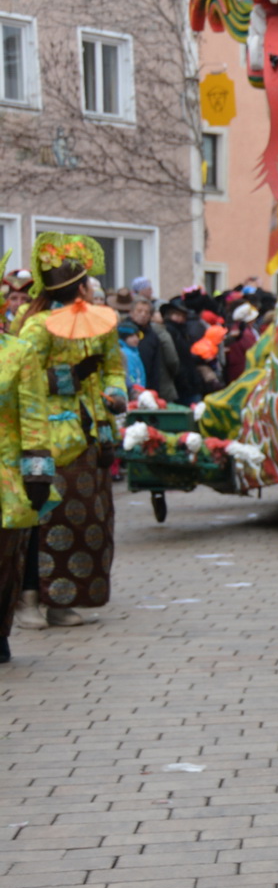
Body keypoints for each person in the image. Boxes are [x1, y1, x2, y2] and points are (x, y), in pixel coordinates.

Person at [11, 233, 125, 630]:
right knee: (46, 519)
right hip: (54, 438)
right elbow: (21, 380)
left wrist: (115, 394)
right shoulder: (37, 327)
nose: (88, 288)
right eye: (84, 283)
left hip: (94, 435)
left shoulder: (100, 324)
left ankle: (64, 601)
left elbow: (114, 367)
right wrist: (71, 375)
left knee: (87, 520)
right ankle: (28, 600)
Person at [0, 312, 53, 662]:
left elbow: (34, 414)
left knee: (4, 560)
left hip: (5, 475)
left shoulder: (19, 352)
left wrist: (37, 473)